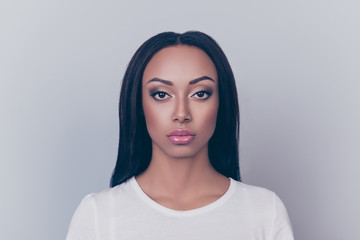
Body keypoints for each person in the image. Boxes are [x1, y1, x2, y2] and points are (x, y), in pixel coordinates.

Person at [66, 31, 294, 240]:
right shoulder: (99, 215)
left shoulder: (264, 211)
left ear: (221, 103)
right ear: (138, 104)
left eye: (200, 94)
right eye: (162, 94)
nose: (182, 113)